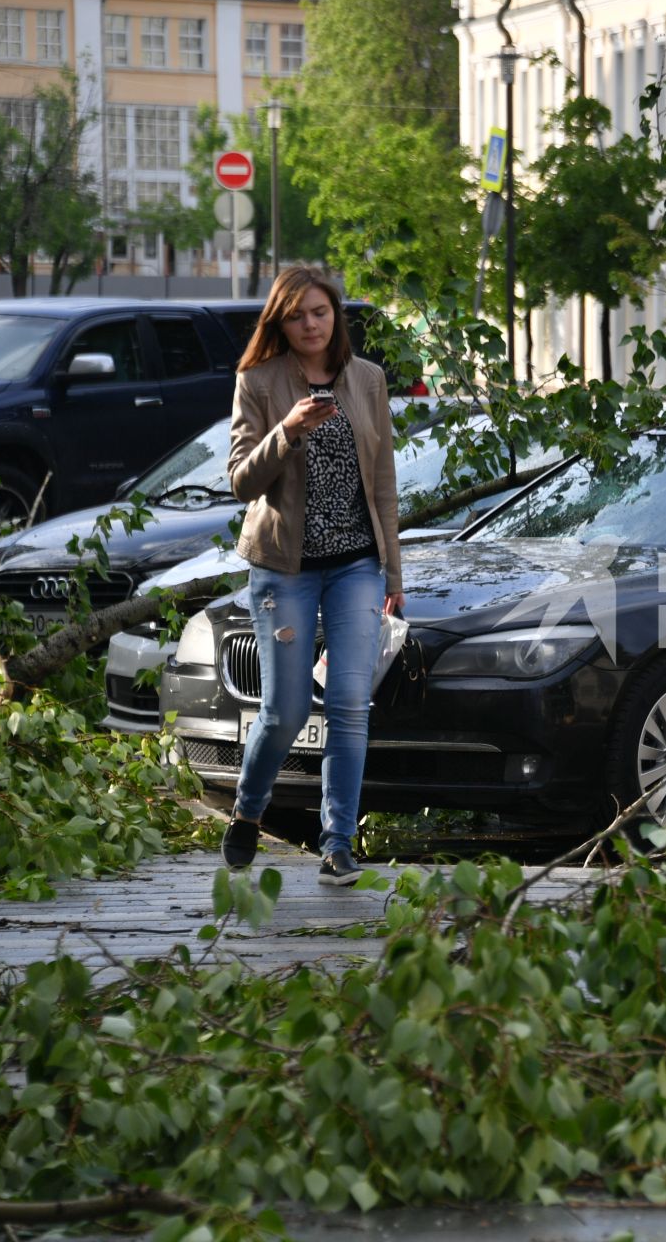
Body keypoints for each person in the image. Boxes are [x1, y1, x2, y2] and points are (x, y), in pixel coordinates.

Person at [220, 267, 403, 884]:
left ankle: (338, 843)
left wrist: (393, 573)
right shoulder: (258, 381)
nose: (310, 324)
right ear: (281, 321)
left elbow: (382, 483)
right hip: (285, 570)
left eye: (320, 312)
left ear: (335, 316)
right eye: (297, 315)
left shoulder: (368, 380)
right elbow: (243, 479)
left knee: (351, 702)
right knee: (287, 710)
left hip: (356, 566)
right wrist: (288, 431)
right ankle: (248, 810)